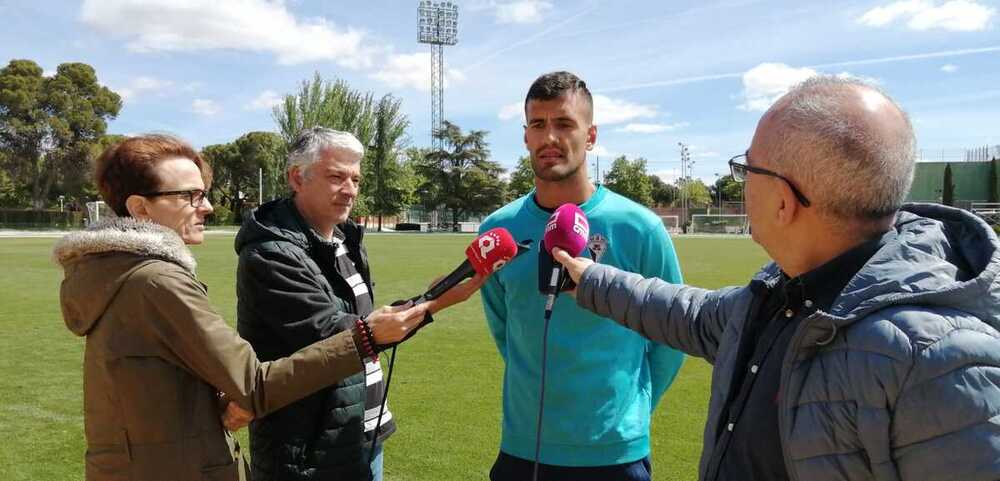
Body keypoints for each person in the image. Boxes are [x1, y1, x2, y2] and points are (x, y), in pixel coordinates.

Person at [553, 76, 1000, 481]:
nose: (742, 183)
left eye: (747, 170)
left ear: (783, 202)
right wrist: (591, 279)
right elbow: (690, 314)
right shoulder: (783, 290)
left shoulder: (938, 360)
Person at [53, 134, 465, 481]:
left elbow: (153, 385)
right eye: (190, 196)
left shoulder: (120, 272)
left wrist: (219, 398)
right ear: (140, 208)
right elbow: (256, 385)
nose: (208, 207)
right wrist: (372, 334)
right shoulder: (155, 280)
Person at [235, 127, 485, 481]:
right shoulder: (271, 254)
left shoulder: (343, 240)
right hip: (309, 452)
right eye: (336, 176)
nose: (350, 189)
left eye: (355, 178)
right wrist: (431, 307)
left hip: (360, 433)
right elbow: (334, 336)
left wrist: (433, 297)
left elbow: (363, 326)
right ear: (297, 177)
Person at [478, 71, 686, 481]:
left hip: (615, 454)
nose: (549, 137)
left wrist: (636, 407)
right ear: (525, 137)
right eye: (538, 125)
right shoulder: (497, 230)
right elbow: (506, 330)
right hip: (524, 449)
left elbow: (672, 333)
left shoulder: (639, 227)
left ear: (590, 137)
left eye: (564, 124)